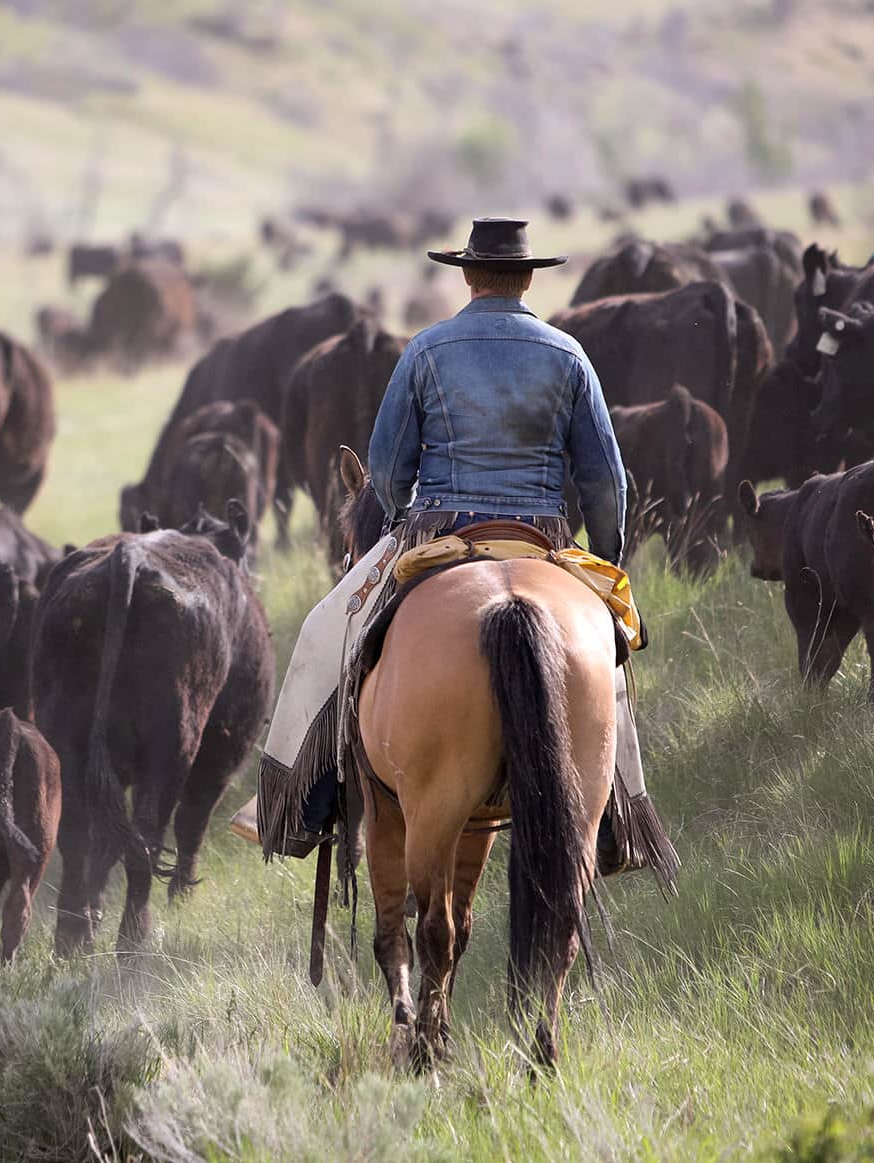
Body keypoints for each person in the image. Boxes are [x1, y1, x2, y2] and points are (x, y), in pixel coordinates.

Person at [250, 216, 659, 877]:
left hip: (439, 534)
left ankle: (298, 806)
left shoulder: (426, 350)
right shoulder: (568, 354)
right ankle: (619, 818)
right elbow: (606, 482)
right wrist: (608, 561)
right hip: (543, 542)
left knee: (325, 633)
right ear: (528, 279)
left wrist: (382, 542)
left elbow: (384, 472)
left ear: (467, 274)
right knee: (606, 674)